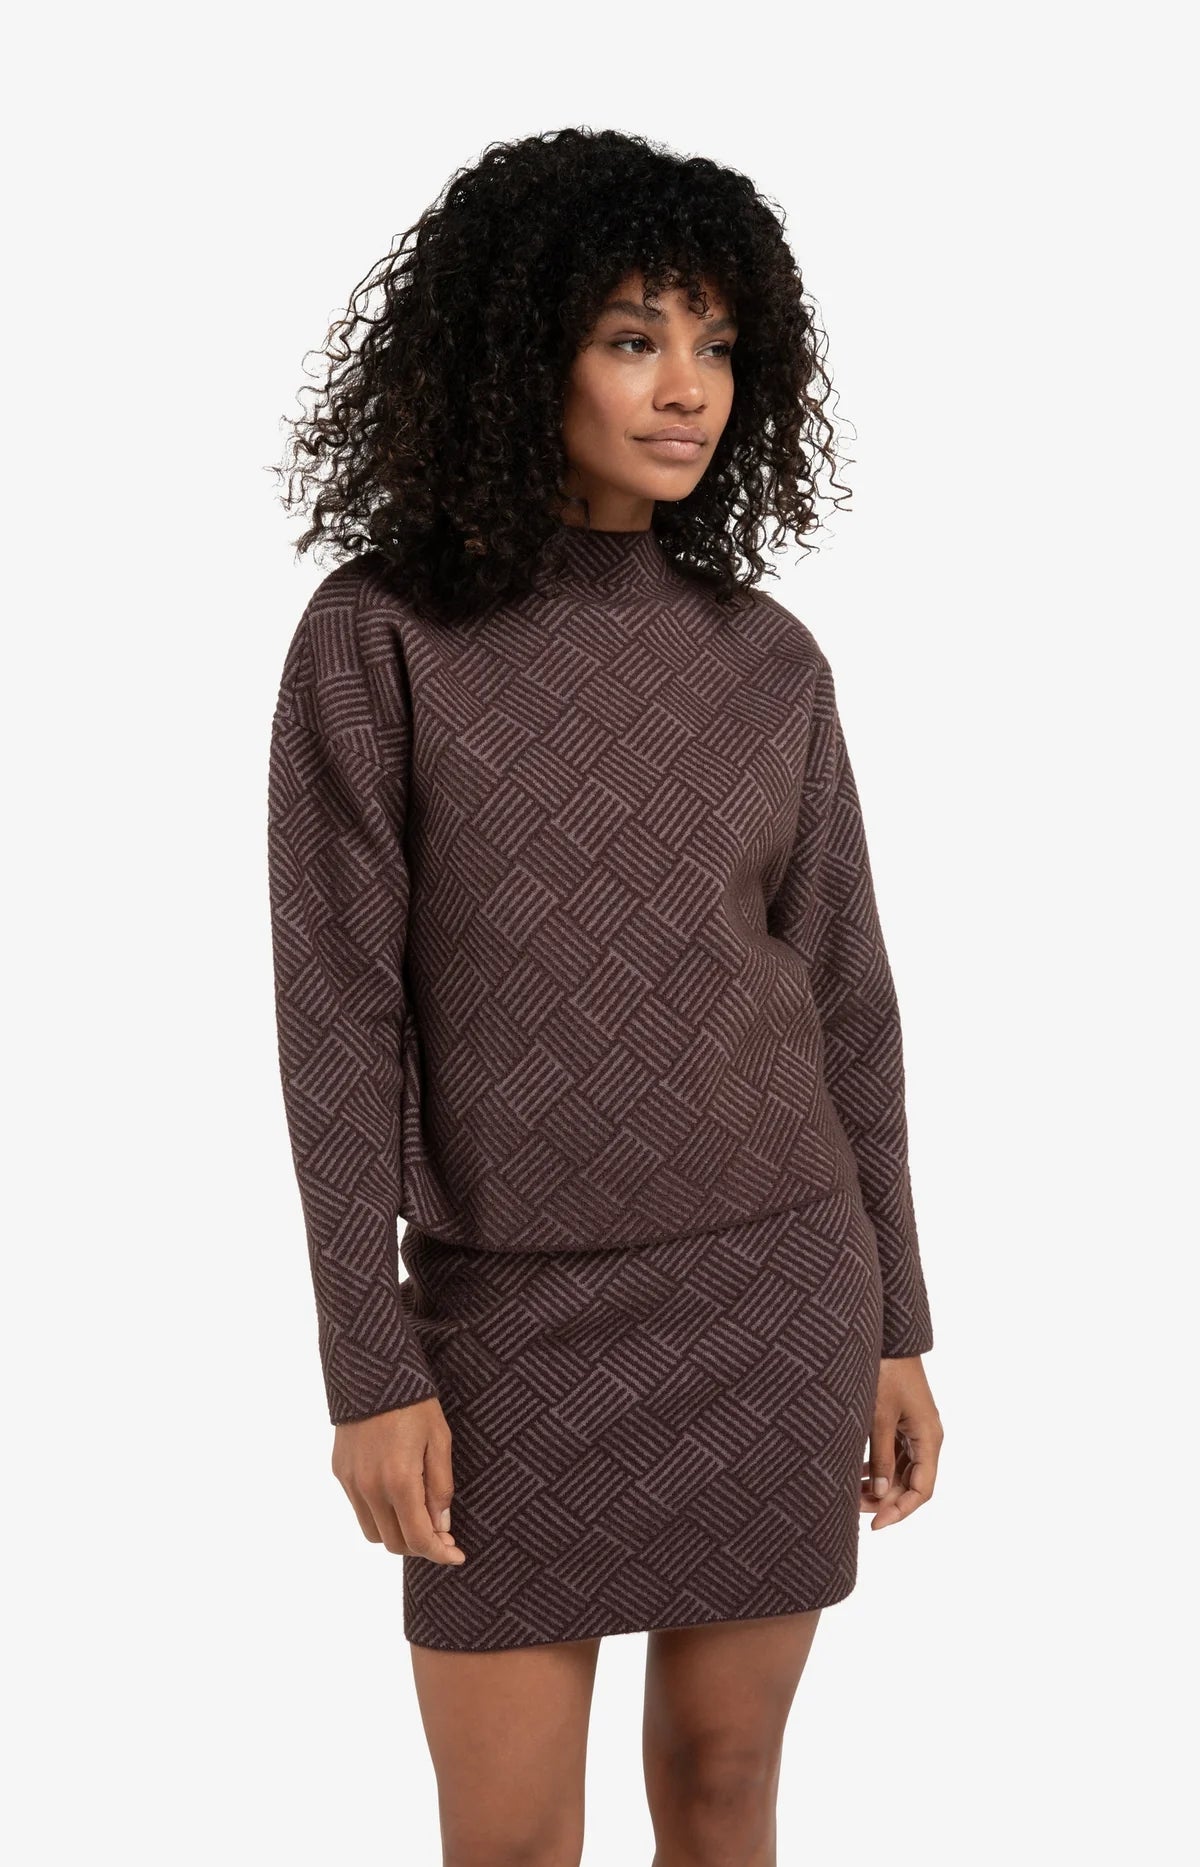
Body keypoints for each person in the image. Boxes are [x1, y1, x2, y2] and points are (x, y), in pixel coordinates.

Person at [267, 125, 943, 1866]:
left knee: (724, 1799)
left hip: (773, 1288)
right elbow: (338, 1023)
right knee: (508, 1844)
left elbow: (849, 1005)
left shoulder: (766, 659)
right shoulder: (379, 640)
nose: (687, 388)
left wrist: (897, 1323)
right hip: (504, 1322)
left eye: (717, 345)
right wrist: (366, 1365)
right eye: (635, 338)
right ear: (520, 353)